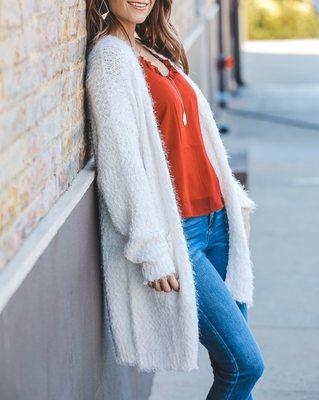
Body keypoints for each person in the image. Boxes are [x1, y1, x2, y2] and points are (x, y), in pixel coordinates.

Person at [85, 1, 265, 398]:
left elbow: (199, 138)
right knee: (244, 366)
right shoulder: (110, 59)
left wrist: (236, 201)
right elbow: (121, 162)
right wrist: (151, 249)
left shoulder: (152, 48)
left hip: (217, 222)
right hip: (181, 235)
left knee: (234, 363)